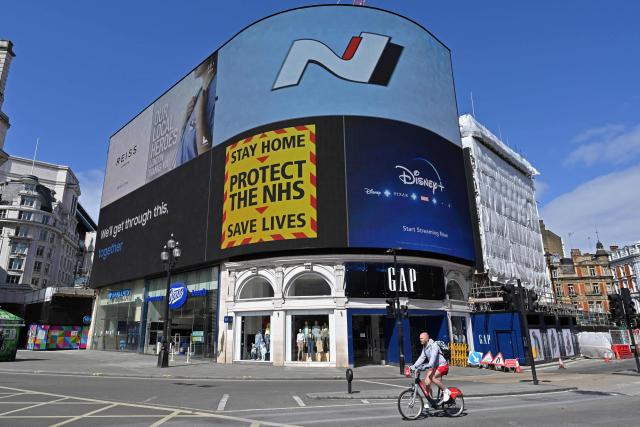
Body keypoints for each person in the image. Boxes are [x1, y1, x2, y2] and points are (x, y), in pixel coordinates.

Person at [175, 52, 217, 167]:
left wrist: (199, 115)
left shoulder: (216, 87)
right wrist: (184, 124)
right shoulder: (199, 93)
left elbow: (207, 155)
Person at [409, 332, 450, 406]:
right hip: (434, 366)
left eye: (421, 338)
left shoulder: (434, 346)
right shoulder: (425, 347)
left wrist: (426, 366)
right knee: (427, 382)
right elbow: (421, 358)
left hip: (442, 365)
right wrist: (414, 366)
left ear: (427, 339)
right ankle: (431, 401)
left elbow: (433, 359)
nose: (420, 339)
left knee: (432, 377)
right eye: (420, 338)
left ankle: (446, 391)